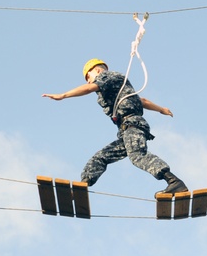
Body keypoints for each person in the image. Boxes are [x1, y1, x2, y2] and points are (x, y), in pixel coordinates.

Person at [43, 58, 188, 197]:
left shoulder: (108, 76)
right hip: (126, 131)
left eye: (88, 76)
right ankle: (82, 188)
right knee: (100, 158)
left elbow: (88, 88)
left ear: (98, 71)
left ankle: (174, 182)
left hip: (133, 125)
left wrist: (63, 95)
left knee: (137, 155)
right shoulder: (117, 87)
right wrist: (161, 109)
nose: (88, 80)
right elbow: (142, 100)